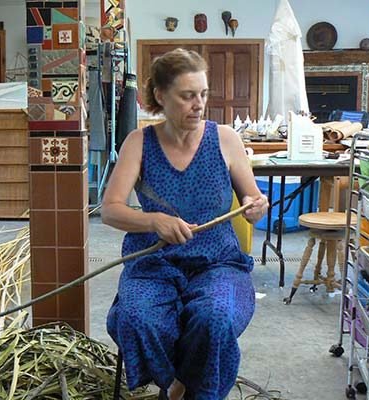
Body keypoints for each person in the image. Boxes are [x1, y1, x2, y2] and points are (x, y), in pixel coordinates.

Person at [101, 48, 269, 400]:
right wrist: (153, 221)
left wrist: (256, 207)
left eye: (203, 94)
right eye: (187, 95)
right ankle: (175, 384)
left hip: (218, 263)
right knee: (136, 317)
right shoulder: (139, 142)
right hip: (154, 263)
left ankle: (192, 392)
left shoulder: (225, 139)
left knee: (215, 317)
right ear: (161, 96)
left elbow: (254, 200)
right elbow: (111, 210)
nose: (199, 104)